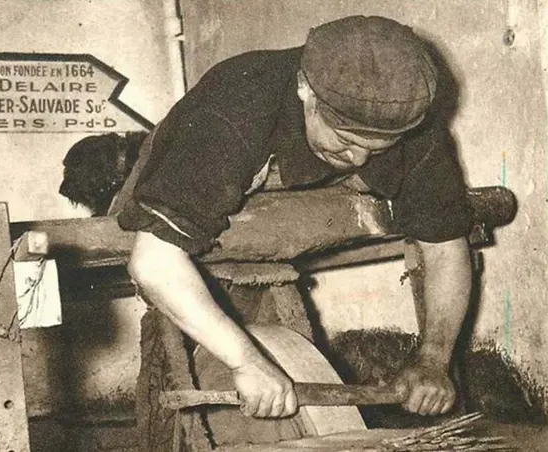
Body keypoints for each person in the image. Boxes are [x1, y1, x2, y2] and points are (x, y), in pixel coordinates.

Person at [113, 15, 473, 420]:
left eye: (378, 149)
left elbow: (445, 245)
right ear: (305, 89)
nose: (359, 159)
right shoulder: (235, 108)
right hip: (188, 173)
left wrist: (433, 359)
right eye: (345, 139)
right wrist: (246, 362)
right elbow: (153, 262)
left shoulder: (410, 120)